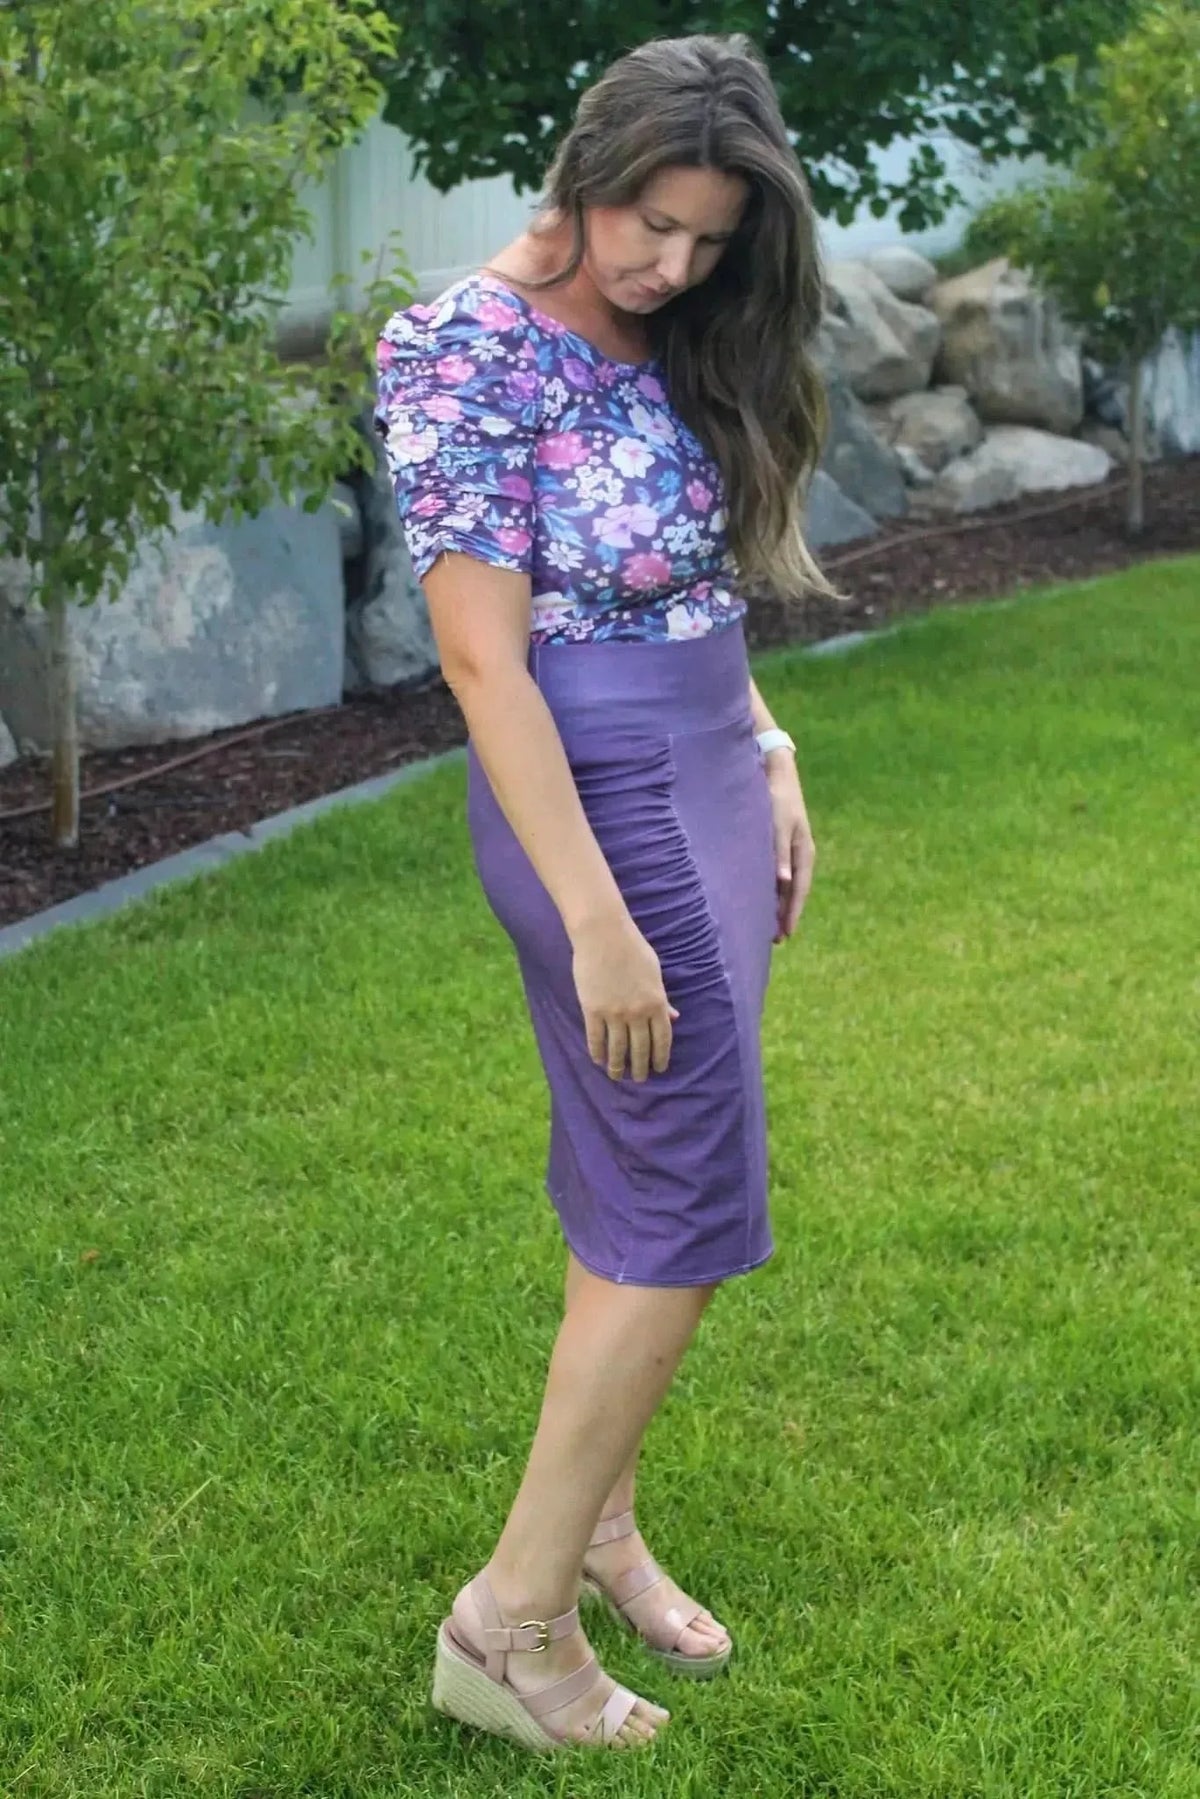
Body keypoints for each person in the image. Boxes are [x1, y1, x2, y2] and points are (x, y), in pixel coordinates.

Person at [374, 30, 838, 1754]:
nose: (672, 265)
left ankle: (606, 1525)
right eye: (651, 221)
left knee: (635, 1182)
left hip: (711, 767)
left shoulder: (660, 332)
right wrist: (598, 917)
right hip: (602, 809)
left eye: (711, 239)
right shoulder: (460, 349)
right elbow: (488, 670)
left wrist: (772, 743)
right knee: (686, 1196)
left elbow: (683, 573)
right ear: (585, 168)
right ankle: (510, 1623)